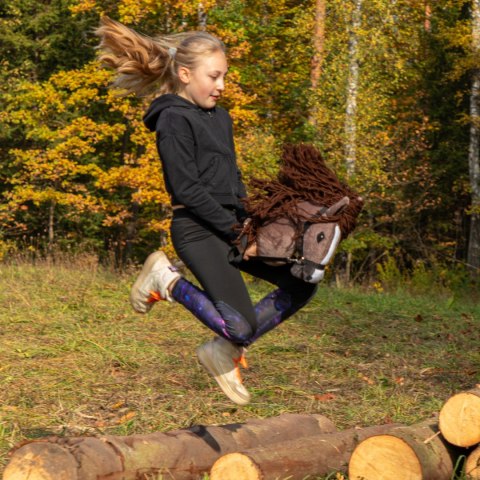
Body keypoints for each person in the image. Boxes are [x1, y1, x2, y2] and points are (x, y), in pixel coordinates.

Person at [95, 17, 318, 405]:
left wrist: (257, 223)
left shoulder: (221, 117)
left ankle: (225, 350)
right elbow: (188, 190)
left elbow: (232, 180)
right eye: (214, 77)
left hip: (235, 227)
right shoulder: (172, 119)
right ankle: (165, 280)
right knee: (239, 324)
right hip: (198, 232)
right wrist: (240, 235)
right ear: (184, 74)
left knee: (304, 280)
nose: (222, 86)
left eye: (224, 77)